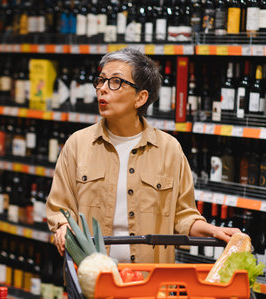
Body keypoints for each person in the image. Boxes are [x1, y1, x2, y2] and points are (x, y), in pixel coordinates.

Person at [45, 47, 241, 264]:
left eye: (116, 82)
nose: (102, 89)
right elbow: (60, 208)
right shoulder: (77, 145)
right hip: (91, 278)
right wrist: (63, 227)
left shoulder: (169, 150)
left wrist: (215, 231)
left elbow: (183, 217)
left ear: (140, 98)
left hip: (151, 280)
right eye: (100, 80)